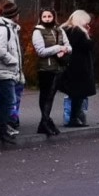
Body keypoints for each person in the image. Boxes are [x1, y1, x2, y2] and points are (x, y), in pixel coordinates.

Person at [31, 8, 71, 136]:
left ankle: (45, 122)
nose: (47, 19)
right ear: (41, 18)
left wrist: (64, 50)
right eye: (45, 16)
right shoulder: (38, 31)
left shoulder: (59, 30)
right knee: (45, 95)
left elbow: (69, 47)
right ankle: (45, 121)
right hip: (45, 68)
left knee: (51, 96)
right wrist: (58, 48)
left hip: (58, 67)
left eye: (49, 16)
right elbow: (41, 51)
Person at [0, 0, 23, 144]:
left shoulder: (11, 28)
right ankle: (0, 130)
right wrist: (13, 61)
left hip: (8, 70)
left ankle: (1, 129)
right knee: (8, 101)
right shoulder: (3, 29)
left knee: (6, 101)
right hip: (4, 71)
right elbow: (0, 50)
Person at [61, 10, 96, 127]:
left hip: (69, 65)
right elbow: (88, 46)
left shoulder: (65, 30)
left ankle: (70, 117)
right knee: (79, 95)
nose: (87, 24)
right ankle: (74, 118)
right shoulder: (79, 32)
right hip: (79, 67)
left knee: (71, 94)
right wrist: (89, 35)